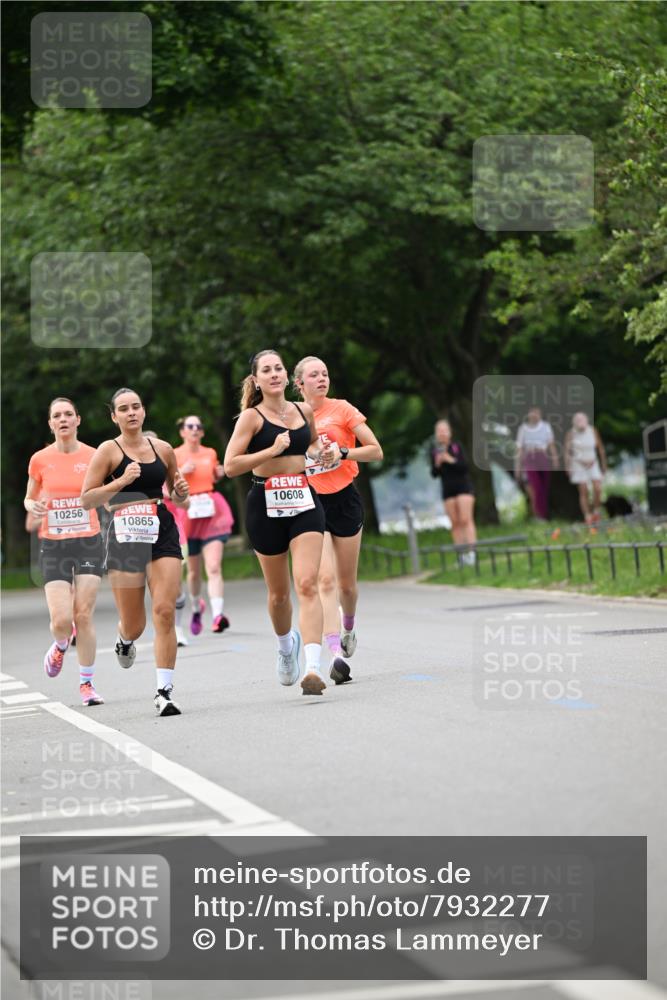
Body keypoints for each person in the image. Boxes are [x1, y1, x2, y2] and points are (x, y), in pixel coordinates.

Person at [224, 350, 332, 696]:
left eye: (278, 368)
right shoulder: (251, 419)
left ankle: (313, 667)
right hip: (264, 503)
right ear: (256, 380)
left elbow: (311, 444)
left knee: (306, 584)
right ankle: (286, 647)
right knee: (279, 594)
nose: (274, 374)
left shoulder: (303, 410)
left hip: (303, 499)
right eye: (266, 370)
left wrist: (322, 453)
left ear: (287, 376)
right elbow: (231, 465)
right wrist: (270, 451)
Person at [81, 388, 190, 717]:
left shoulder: (164, 448)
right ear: (114, 416)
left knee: (165, 611)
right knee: (135, 623)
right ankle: (124, 639)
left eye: (136, 407)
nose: (131, 413)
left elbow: (177, 494)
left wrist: (181, 493)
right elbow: (87, 499)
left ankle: (163, 691)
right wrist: (120, 482)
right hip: (125, 532)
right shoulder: (107, 451)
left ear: (143, 412)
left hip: (162, 528)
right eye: (123, 409)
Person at [293, 355, 383, 684]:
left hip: (345, 497)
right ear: (299, 383)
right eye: (314, 375)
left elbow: (375, 450)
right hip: (309, 501)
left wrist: (344, 453)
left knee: (347, 585)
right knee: (325, 580)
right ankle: (335, 656)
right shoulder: (291, 416)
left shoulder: (342, 409)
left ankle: (348, 626)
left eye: (325, 373)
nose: (321, 379)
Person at [24, 398, 103, 706]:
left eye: (68, 414)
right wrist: (35, 505)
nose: (63, 419)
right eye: (57, 415)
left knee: (83, 615)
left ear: (78, 420)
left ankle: (87, 684)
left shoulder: (94, 456)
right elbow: (29, 498)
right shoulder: (40, 459)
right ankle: (59, 644)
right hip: (54, 544)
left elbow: (104, 492)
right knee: (62, 619)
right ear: (51, 423)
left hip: (88, 541)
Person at [174, 415, 234, 635]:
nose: (195, 429)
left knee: (214, 566)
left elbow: (213, 475)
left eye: (199, 426)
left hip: (210, 510)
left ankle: (218, 615)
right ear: (182, 432)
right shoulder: (175, 454)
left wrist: (218, 474)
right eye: (190, 426)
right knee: (193, 572)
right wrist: (181, 473)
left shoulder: (210, 453)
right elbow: (165, 483)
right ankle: (197, 604)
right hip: (188, 511)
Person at [430, 419, 477, 565]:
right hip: (448, 489)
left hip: (463, 487)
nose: (442, 433)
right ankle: (461, 555)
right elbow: (434, 474)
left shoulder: (457, 447)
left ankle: (472, 553)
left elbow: (465, 467)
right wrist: (437, 464)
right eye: (439, 431)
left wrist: (450, 460)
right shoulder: (434, 451)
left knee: (465, 519)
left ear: (450, 432)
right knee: (455, 523)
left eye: (444, 430)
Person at [514, 407, 559, 520]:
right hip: (529, 457)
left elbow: (551, 444)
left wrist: (555, 459)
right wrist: (517, 467)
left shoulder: (546, 427)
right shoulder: (523, 429)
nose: (534, 415)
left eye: (537, 413)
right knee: (535, 486)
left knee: (544, 487)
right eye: (532, 413)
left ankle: (542, 515)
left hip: (542, 456)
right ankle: (538, 515)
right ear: (528, 414)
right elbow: (519, 449)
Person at [565, 412, 607, 524]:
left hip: (593, 463)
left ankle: (596, 512)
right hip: (579, 464)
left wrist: (603, 464)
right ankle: (587, 516)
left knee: (597, 488)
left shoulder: (592, 431)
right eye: (578, 421)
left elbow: (600, 448)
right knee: (584, 491)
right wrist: (568, 466)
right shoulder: (571, 433)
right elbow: (568, 451)